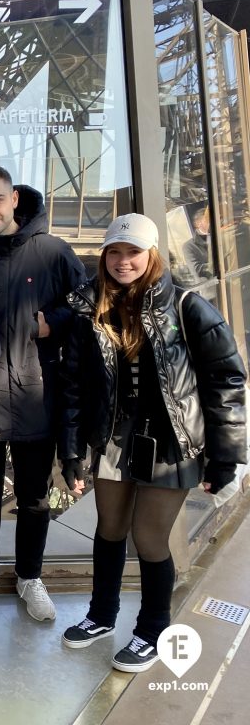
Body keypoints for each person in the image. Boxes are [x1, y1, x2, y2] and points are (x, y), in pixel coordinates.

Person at [59, 213, 245, 672]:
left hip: (170, 442)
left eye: (134, 252)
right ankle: (102, 615)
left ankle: (152, 629)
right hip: (116, 437)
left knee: (148, 536)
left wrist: (226, 458)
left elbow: (227, 379)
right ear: (104, 255)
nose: (124, 261)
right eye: (115, 252)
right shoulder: (90, 307)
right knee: (109, 528)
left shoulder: (186, 306)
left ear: (152, 255)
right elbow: (73, 385)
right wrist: (71, 452)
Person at [0, 165, 87, 623]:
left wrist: (55, 321)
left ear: (14, 199)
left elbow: (86, 304)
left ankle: (30, 575)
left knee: (35, 496)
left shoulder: (52, 252)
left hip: (36, 395)